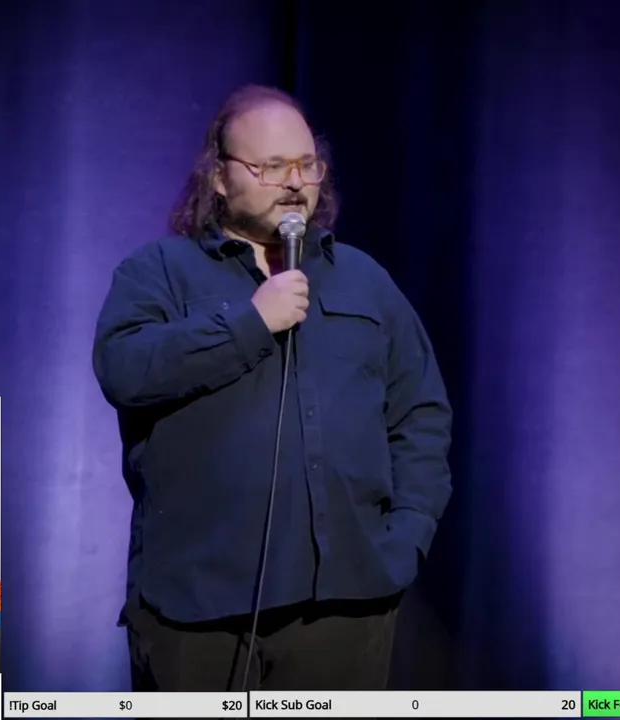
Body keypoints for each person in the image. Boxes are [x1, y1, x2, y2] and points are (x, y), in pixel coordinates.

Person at [93, 84, 453, 691]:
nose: (294, 183)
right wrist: (251, 322)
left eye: (306, 165)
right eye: (270, 166)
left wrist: (405, 539)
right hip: (197, 610)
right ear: (219, 177)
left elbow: (420, 414)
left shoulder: (363, 280)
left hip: (347, 603)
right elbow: (125, 370)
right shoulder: (158, 272)